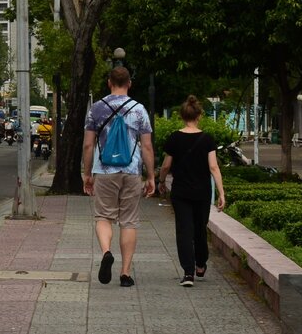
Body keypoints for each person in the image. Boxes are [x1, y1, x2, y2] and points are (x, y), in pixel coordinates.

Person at [82, 65, 155, 288]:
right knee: (129, 221)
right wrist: (151, 176)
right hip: (131, 171)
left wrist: (87, 174)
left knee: (103, 217)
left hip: (104, 171)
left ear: (109, 82)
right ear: (129, 84)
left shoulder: (96, 109)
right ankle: (125, 273)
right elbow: (147, 146)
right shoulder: (139, 110)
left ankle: (106, 252)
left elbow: (87, 144)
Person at [158, 95, 226, 287]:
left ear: (182, 116)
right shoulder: (207, 139)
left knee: (184, 231)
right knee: (199, 229)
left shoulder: (174, 138)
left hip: (180, 192)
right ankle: (201, 264)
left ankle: (188, 273)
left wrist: (161, 181)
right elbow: (213, 167)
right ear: (199, 116)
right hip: (202, 192)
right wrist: (221, 192)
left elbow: (165, 166)